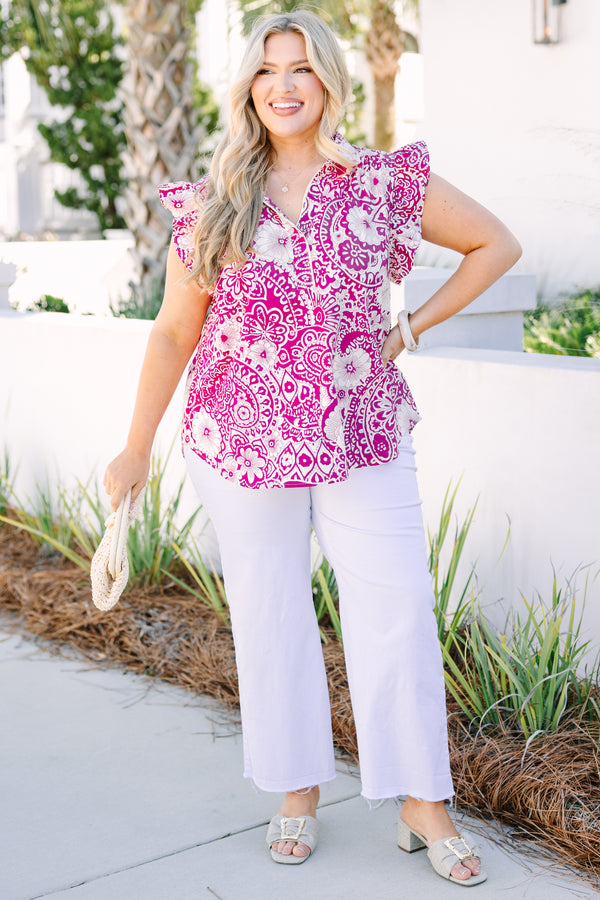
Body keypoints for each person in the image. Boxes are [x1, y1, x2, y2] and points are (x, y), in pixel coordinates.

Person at [103, 10, 521, 887]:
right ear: (248, 87)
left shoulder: (382, 182)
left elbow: (496, 244)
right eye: (266, 70)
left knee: (397, 604)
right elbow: (176, 331)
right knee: (270, 612)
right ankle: (295, 787)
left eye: (301, 68)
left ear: (329, 80)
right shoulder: (216, 198)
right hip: (238, 439)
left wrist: (411, 323)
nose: (283, 85)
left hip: (362, 430)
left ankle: (421, 802)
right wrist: (134, 447)